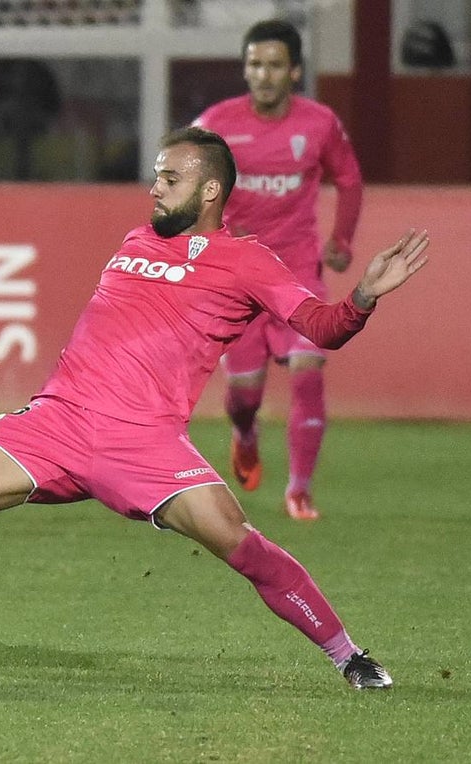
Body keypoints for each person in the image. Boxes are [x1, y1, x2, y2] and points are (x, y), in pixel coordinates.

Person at [0, 126, 430, 689]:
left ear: (209, 191)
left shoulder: (246, 261)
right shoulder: (138, 240)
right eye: (155, 176)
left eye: (170, 178)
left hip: (144, 442)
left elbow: (321, 326)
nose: (155, 187)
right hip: (54, 421)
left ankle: (350, 657)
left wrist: (365, 297)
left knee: (240, 544)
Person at [192, 19, 364, 521]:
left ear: (294, 72)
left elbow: (349, 181)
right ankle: (244, 432)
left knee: (309, 370)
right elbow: (181, 176)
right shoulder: (218, 123)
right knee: (244, 396)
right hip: (236, 279)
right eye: (253, 64)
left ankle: (299, 489)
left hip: (297, 274)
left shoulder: (319, 124)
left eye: (272, 65)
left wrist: (342, 241)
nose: (261, 74)